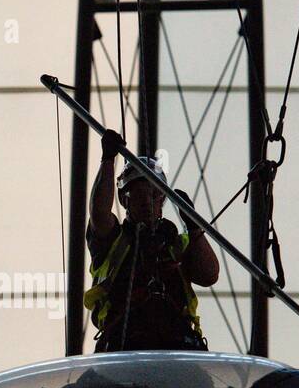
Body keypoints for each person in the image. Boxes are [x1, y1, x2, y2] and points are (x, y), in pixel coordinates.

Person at [84, 129, 219, 352]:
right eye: (138, 194)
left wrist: (194, 227)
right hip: (124, 344)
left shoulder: (176, 244)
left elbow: (209, 274)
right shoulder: (114, 240)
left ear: (163, 199)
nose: (148, 202)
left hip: (178, 346)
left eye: (155, 195)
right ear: (124, 200)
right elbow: (99, 213)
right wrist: (108, 160)